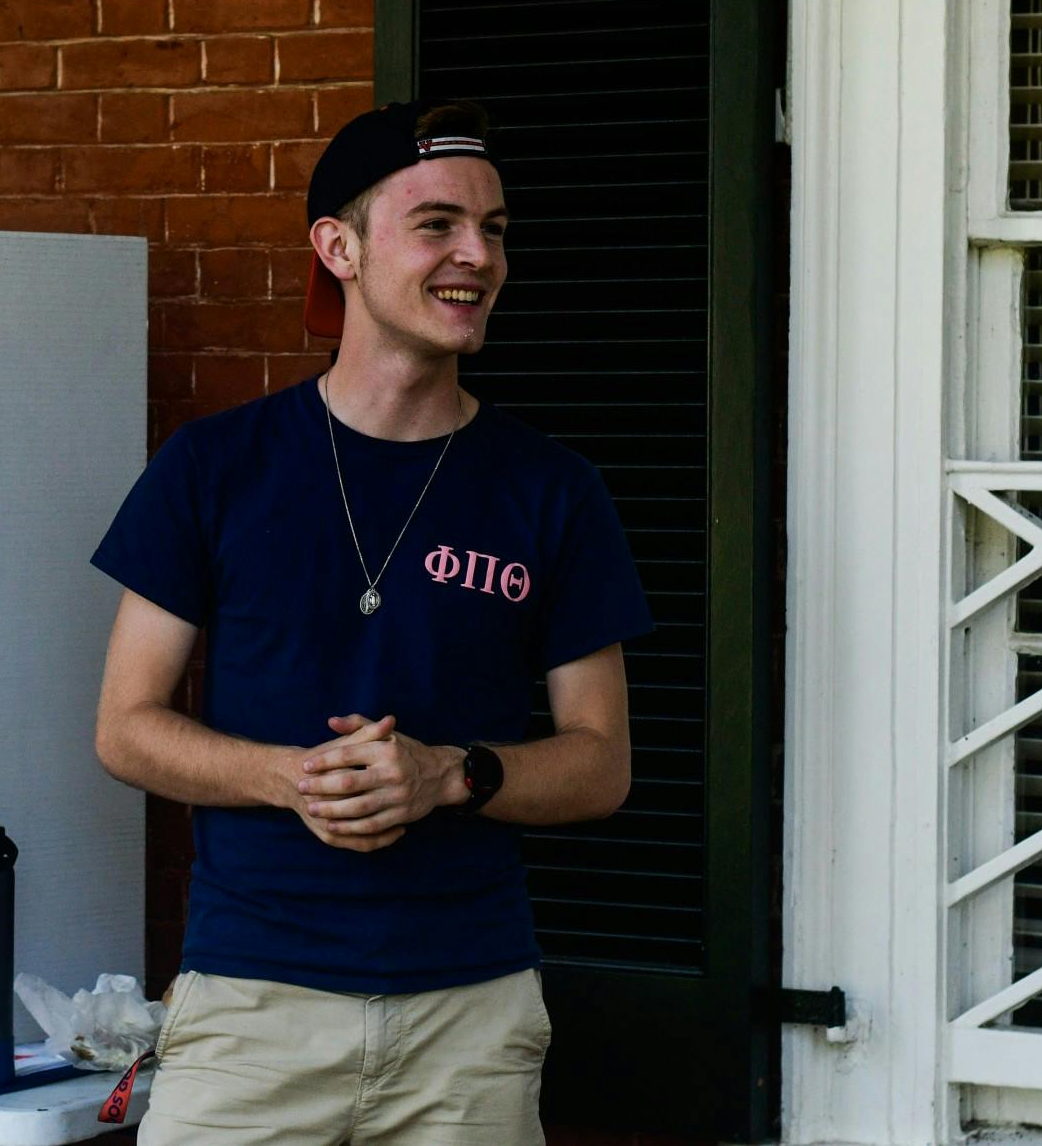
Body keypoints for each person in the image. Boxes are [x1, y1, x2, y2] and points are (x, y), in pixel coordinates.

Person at [89, 101, 653, 1143]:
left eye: (493, 228)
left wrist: (451, 775)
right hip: (250, 1009)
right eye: (436, 223)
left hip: (467, 1018)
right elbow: (124, 723)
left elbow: (600, 760)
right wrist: (287, 777)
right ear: (335, 247)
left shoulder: (552, 489)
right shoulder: (211, 468)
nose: (475, 255)